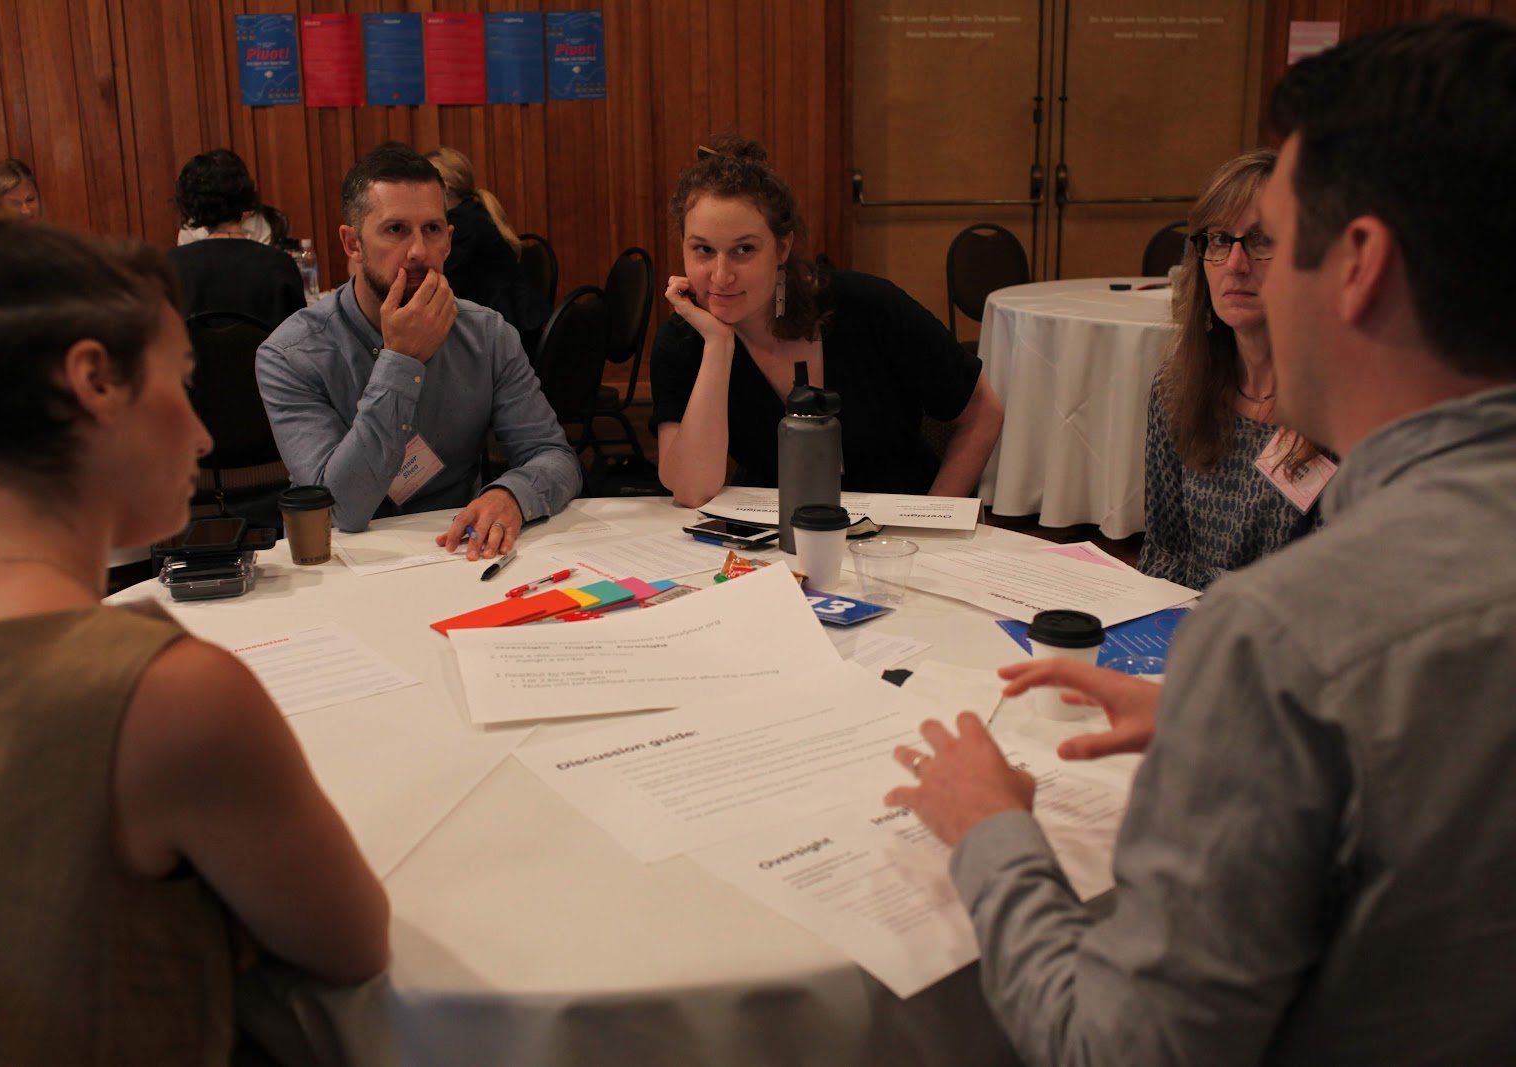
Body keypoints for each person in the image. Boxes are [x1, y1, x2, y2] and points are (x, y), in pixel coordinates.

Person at [886, 15, 1516, 1065]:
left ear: (1358, 264)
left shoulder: (1284, 637)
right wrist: (1221, 721)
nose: (1243, 272)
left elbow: (1122, 1048)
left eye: (1277, 239)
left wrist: (990, 828)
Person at [0, 184, 388, 1062]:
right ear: (96, 380)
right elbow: (354, 941)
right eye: (181, 378)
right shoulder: (168, 693)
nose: (204, 437)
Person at [256, 142, 580, 556]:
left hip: (457, 550)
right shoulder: (291, 355)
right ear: (353, 244)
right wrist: (401, 361)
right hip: (344, 563)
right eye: (395, 230)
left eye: (431, 230)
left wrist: (513, 494)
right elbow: (342, 510)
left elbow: (553, 456)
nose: (418, 252)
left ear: (448, 240)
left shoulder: (487, 335)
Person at [650, 136, 1004, 507]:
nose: (721, 276)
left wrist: (935, 517)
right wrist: (719, 345)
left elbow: (983, 412)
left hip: (899, 525)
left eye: (744, 249)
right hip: (776, 529)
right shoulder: (684, 342)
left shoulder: (869, 306)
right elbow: (691, 490)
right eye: (704, 249)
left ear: (782, 247)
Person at [1139, 149, 1332, 590]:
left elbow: (1333, 591)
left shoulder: (1341, 412)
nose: (1236, 264)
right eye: (1221, 239)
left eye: (1262, 240)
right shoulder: (1176, 391)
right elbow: (1164, 551)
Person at [167, 148, 306, 328]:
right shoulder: (280, 265)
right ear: (245, 197)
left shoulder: (170, 268)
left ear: (190, 206)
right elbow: (300, 335)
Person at [425, 146, 546, 339]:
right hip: (511, 322)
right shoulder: (474, 211)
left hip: (505, 333)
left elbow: (442, 283)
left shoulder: (463, 224)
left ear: (444, 189)